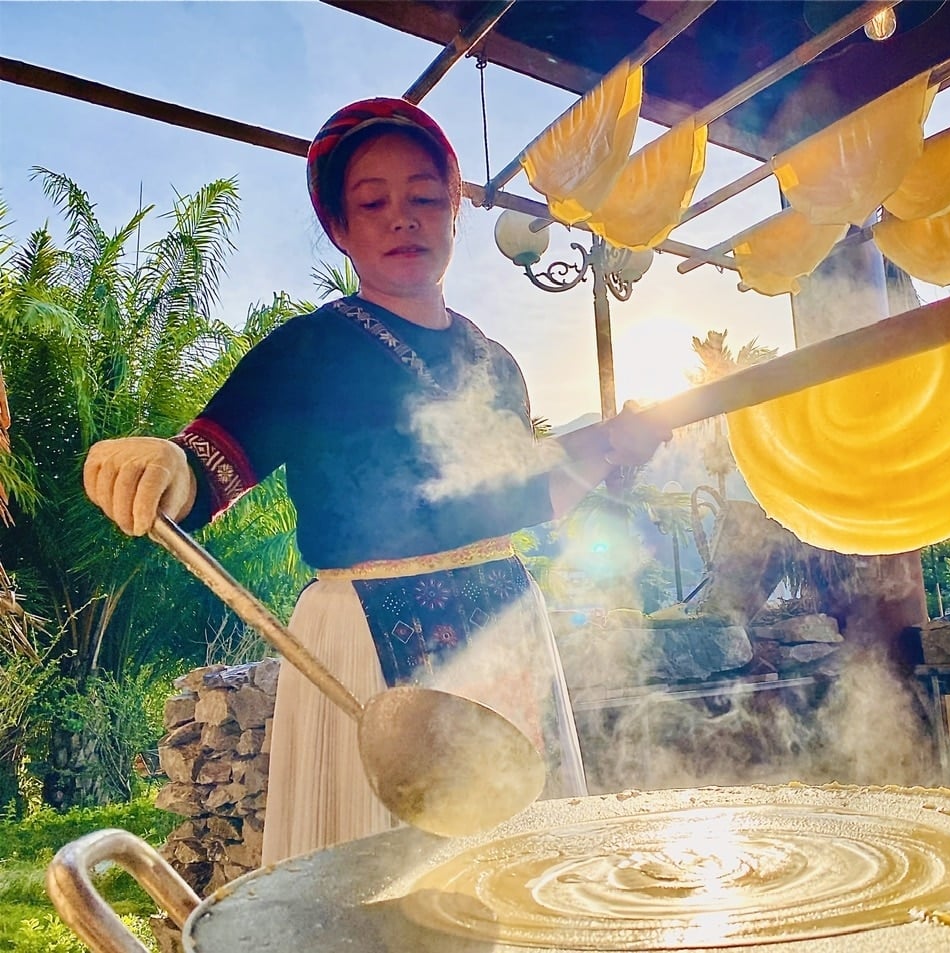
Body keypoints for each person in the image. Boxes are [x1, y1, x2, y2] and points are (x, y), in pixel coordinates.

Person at [83, 97, 669, 864]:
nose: (403, 218)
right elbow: (208, 465)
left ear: (454, 212)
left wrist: (610, 450)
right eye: (373, 202)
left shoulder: (495, 363)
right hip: (364, 635)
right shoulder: (307, 351)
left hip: (505, 625)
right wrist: (165, 462)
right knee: (383, 892)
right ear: (341, 227)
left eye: (425, 197)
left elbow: (526, 499)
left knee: (523, 877)